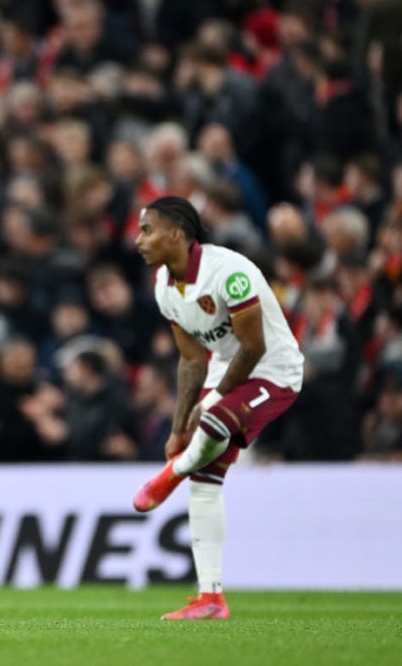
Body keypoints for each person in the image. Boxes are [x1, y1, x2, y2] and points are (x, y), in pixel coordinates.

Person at [131, 196, 304, 620]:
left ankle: (172, 473)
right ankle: (210, 597)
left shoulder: (230, 272)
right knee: (205, 479)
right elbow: (191, 360)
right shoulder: (163, 287)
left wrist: (210, 401)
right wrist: (177, 427)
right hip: (225, 372)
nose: (139, 240)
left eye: (147, 229)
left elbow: (254, 346)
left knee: (214, 420)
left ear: (176, 233)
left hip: (272, 371)